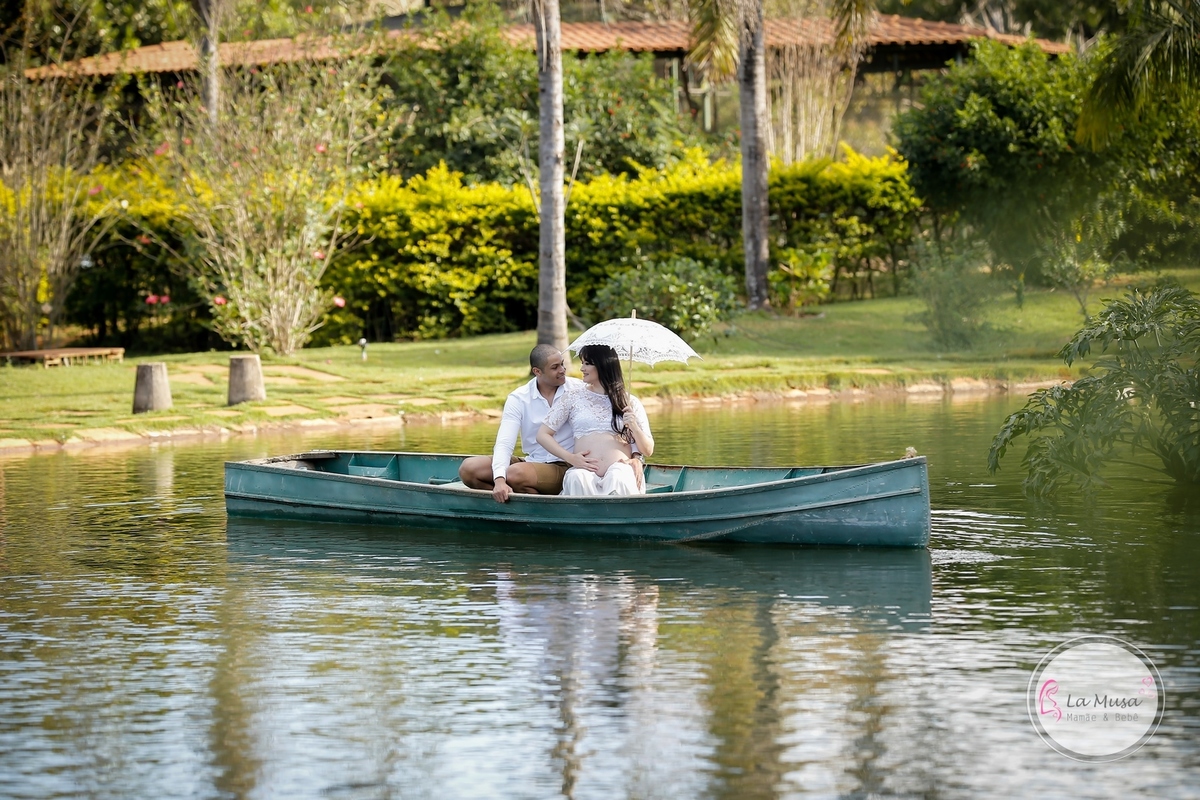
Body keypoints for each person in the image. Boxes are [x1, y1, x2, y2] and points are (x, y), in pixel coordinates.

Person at [458, 345, 596, 503]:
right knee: (469, 468)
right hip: (532, 462)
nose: (563, 370)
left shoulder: (579, 389)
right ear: (537, 371)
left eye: (562, 364)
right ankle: (512, 500)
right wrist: (500, 481)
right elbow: (504, 443)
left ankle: (539, 507)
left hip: (567, 464)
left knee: (516, 474)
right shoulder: (519, 398)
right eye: (555, 367)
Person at [535, 344, 654, 496]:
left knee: (619, 475)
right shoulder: (572, 397)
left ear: (603, 365)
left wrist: (634, 427)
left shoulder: (631, 402)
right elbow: (542, 435)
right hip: (584, 472)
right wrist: (570, 458)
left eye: (587, 363)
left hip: (620, 470)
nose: (582, 369)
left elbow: (648, 450)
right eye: (582, 363)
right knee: (577, 477)